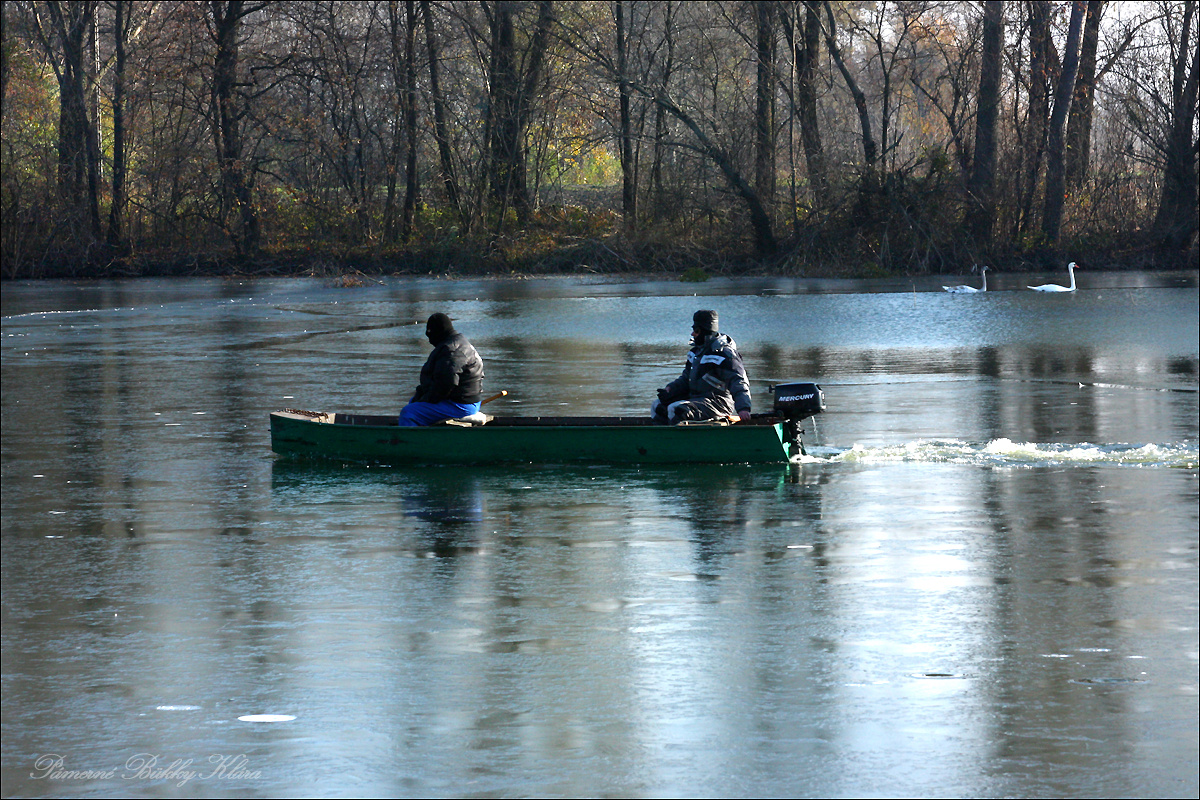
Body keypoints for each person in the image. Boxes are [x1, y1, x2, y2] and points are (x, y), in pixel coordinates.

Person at [652, 309, 751, 424]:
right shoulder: (696, 352)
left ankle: (679, 440)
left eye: (696, 330)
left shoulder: (725, 354)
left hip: (718, 403)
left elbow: (738, 381)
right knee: (657, 405)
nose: (692, 334)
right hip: (696, 399)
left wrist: (743, 408)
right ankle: (662, 438)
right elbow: (685, 379)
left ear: (706, 332)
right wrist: (671, 388)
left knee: (677, 409)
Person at [399, 313, 485, 426]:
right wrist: (420, 396)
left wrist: (426, 399)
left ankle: (409, 441)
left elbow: (446, 383)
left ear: (436, 332)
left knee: (409, 412)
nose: (430, 340)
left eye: (430, 335)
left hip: (461, 404)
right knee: (413, 403)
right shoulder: (458, 342)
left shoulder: (451, 350)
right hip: (464, 400)